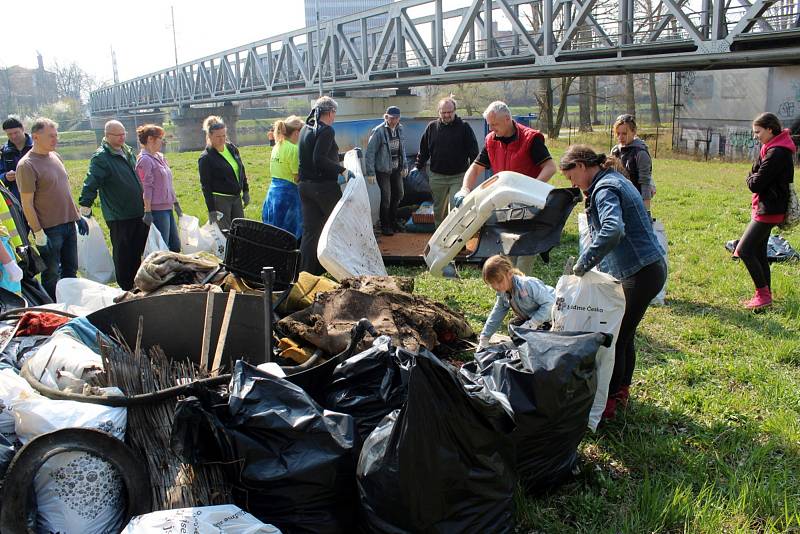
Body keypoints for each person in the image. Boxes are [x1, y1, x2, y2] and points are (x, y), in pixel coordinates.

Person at [561, 144, 666, 420]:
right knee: (625, 335)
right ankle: (621, 392)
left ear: (582, 166)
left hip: (640, 272)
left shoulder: (605, 187)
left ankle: (607, 403)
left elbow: (612, 229)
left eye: (571, 176)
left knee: (615, 339)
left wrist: (583, 264)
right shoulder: (612, 178)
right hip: (648, 269)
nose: (572, 182)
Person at [457, 101, 557, 273]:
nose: (491, 129)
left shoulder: (530, 139)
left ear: (507, 119)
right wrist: (465, 189)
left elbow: (550, 167)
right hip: (504, 205)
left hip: (528, 205)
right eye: (489, 124)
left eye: (494, 124)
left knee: (525, 253)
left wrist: (533, 189)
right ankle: (506, 293)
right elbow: (475, 168)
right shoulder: (491, 141)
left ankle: (523, 291)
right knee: (506, 251)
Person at [16, 118, 88, 299]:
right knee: (52, 273)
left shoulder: (56, 157)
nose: (55, 140)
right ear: (36, 137)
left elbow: (65, 190)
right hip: (49, 229)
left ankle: (71, 302)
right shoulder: (27, 165)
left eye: (56, 136)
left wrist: (77, 216)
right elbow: (27, 203)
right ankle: (53, 308)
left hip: (68, 223)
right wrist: (38, 233)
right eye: (51, 136)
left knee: (71, 268)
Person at [79, 120, 149, 292]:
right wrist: (85, 205)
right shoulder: (101, 157)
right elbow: (91, 181)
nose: (122, 137)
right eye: (118, 135)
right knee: (123, 253)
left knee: (138, 250)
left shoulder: (127, 151)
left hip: (138, 211)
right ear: (107, 135)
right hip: (119, 214)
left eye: (123, 133)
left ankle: (138, 282)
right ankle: (126, 286)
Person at [735, 112, 795, 310]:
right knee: (759, 252)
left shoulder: (777, 152)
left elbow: (755, 182)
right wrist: (753, 175)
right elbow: (755, 174)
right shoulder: (771, 148)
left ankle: (763, 295)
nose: (755, 136)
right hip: (766, 206)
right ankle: (764, 295)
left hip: (769, 209)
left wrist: (750, 177)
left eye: (758, 132)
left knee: (744, 250)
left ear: (770, 129)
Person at [297, 96, 354, 275]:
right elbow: (319, 159)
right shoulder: (327, 130)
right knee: (340, 224)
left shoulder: (306, 129)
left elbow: (320, 154)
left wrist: (345, 156)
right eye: (334, 113)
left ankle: (306, 273)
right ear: (330, 112)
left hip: (305, 186)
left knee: (310, 232)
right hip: (323, 187)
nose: (334, 117)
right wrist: (342, 171)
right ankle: (345, 269)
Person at [413, 97, 479, 226]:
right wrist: (417, 166)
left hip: (458, 176)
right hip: (437, 177)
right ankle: (440, 240)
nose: (447, 115)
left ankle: (457, 240)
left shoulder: (464, 127)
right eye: (444, 112)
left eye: (450, 112)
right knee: (438, 211)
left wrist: (472, 172)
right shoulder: (432, 127)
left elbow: (473, 152)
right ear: (439, 112)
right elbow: (424, 150)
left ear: (455, 111)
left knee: (457, 207)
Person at [478, 255, 555, 350]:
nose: (497, 287)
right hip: (532, 318)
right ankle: (526, 347)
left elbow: (550, 304)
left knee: (537, 340)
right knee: (513, 326)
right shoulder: (503, 292)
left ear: (510, 274)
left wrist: (533, 323)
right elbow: (497, 314)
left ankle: (541, 345)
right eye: (492, 284)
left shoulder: (527, 284)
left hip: (552, 318)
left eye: (499, 281)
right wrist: (485, 337)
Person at [198, 116, 250, 232]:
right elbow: (205, 186)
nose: (221, 139)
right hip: (220, 200)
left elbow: (241, 169)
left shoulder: (231, 148)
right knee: (225, 233)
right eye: (218, 137)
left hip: (236, 197)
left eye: (223, 136)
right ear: (210, 136)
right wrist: (211, 210)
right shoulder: (206, 158)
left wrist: (245, 190)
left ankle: (239, 250)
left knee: (240, 230)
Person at [135, 124, 182, 252]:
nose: (163, 141)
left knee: (176, 246)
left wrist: (176, 202)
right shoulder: (144, 160)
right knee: (163, 247)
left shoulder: (160, 157)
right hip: (157, 210)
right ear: (150, 139)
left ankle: (175, 271)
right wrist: (148, 211)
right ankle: (163, 272)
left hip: (168, 206)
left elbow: (168, 182)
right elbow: (147, 187)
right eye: (160, 138)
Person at [365, 106, 407, 235]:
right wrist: (370, 172)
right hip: (383, 170)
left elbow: (402, 149)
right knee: (386, 198)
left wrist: (404, 165)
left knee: (399, 194)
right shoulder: (378, 131)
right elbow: (370, 152)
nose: (394, 120)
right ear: (386, 117)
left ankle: (393, 221)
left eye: (397, 118)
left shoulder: (400, 129)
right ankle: (385, 225)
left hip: (396, 168)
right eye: (392, 118)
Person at [262, 115, 304, 239]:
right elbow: (297, 176)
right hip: (288, 196)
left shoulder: (277, 145)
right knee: (290, 233)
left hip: (273, 193)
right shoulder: (294, 149)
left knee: (274, 231)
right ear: (297, 132)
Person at [610, 114, 655, 213]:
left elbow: (645, 182)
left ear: (634, 132)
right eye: (618, 133)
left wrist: (646, 211)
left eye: (624, 133)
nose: (620, 137)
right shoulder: (615, 151)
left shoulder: (640, 153)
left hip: (636, 200)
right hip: (618, 199)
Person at [1, 117, 33, 204]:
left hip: (40, 196)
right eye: (9, 134)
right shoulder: (4, 151)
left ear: (23, 129)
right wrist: (5, 177)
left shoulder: (37, 146)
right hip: (17, 200)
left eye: (16, 132)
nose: (13, 136)